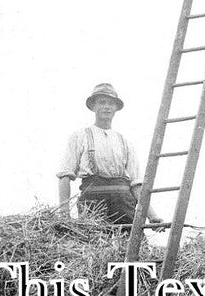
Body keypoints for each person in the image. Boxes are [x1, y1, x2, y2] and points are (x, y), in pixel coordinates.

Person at [57, 83, 159, 226]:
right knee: (94, 244)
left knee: (130, 244)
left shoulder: (125, 142)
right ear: (93, 106)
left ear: (116, 108)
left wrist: (152, 216)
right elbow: (64, 176)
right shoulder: (79, 137)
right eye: (102, 102)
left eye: (111, 103)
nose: (107, 107)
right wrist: (64, 215)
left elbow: (136, 185)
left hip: (123, 203)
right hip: (93, 203)